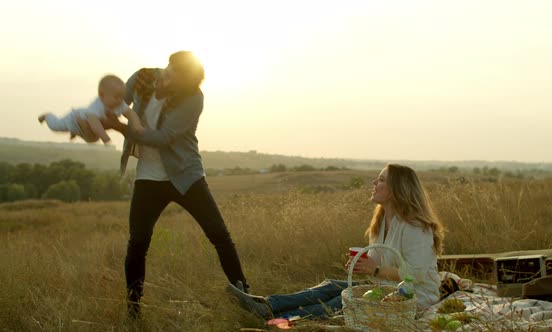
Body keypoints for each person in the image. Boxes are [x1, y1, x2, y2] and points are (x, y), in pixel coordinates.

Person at [99, 51, 249, 319]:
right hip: (148, 177)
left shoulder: (193, 98)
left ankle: (245, 296)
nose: (166, 80)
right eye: (168, 72)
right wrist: (92, 118)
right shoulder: (144, 78)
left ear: (186, 85)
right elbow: (114, 103)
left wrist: (121, 128)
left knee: (219, 235)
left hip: (185, 176)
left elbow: (163, 137)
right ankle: (133, 310)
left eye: (175, 80)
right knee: (138, 243)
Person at [227, 164, 445, 319]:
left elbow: (415, 275)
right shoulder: (381, 221)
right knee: (331, 285)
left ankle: (279, 318)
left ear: (397, 189)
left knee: (342, 298)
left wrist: (376, 269)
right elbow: (377, 262)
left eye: (381, 179)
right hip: (385, 288)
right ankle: (265, 304)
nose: (374, 182)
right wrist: (363, 265)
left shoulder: (415, 227)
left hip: (414, 297)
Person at [38, 75, 142, 144]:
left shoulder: (119, 104)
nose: (120, 100)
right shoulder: (97, 106)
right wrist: (104, 137)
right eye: (116, 97)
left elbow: (131, 114)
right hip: (75, 118)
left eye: (121, 96)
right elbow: (94, 122)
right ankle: (47, 116)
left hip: (88, 127)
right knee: (55, 126)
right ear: (102, 95)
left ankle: (78, 130)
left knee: (93, 139)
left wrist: (137, 126)